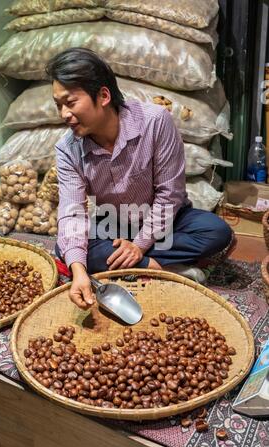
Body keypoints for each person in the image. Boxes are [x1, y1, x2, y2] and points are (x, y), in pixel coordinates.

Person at [46, 47, 233, 310]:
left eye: (70, 102)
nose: (63, 114)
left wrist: (139, 246)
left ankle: (142, 266)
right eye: (59, 105)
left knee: (216, 231)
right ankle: (169, 270)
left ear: (103, 95)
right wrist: (78, 272)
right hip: (116, 222)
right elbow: (72, 213)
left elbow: (171, 195)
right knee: (69, 248)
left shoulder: (155, 122)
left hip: (165, 221)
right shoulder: (68, 149)